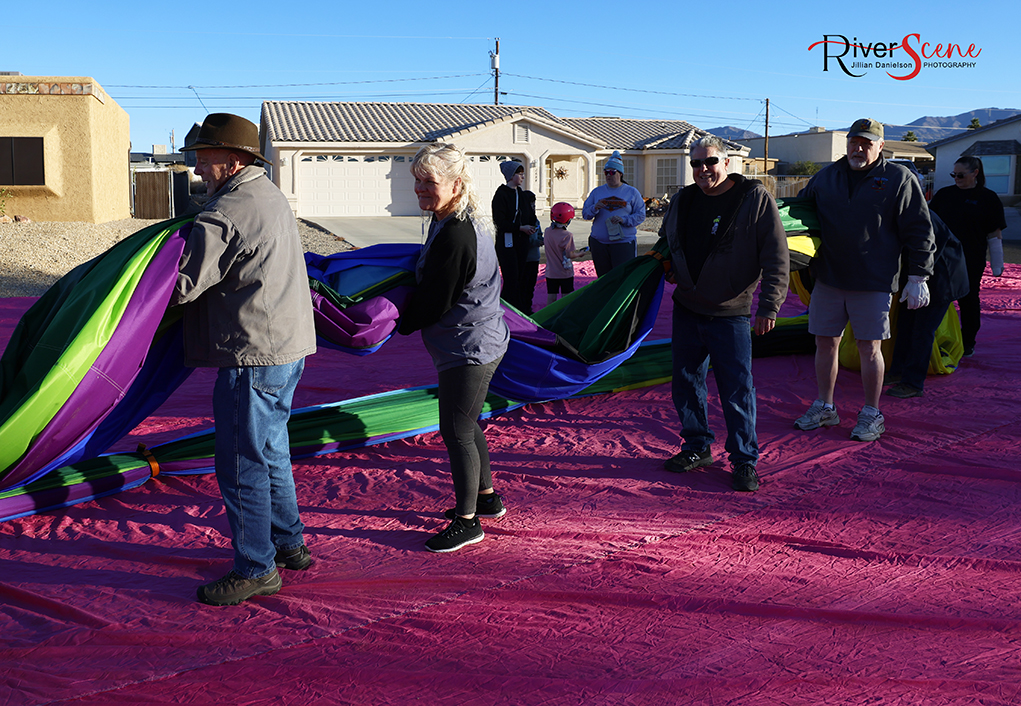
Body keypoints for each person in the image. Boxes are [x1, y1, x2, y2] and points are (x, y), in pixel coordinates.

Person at [175, 113, 317, 606]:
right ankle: (289, 543)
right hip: (286, 346)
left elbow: (180, 287)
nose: (196, 166)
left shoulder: (226, 212)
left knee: (241, 461)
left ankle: (256, 567)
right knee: (271, 449)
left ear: (232, 159)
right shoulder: (268, 195)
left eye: (204, 155)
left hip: (252, 353)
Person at [659, 135, 789, 492]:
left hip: (731, 313)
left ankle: (745, 459)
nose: (703, 170)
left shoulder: (752, 198)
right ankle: (697, 447)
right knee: (685, 384)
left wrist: (769, 305)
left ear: (727, 162)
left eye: (710, 162)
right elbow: (665, 240)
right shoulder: (683, 199)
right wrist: (668, 265)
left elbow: (777, 256)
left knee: (736, 390)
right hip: (687, 307)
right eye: (696, 164)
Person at [399, 143, 510, 553]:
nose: (419, 190)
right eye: (417, 181)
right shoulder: (454, 219)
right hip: (475, 338)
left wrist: (395, 322)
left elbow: (435, 300)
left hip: (470, 347)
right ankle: (487, 497)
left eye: (429, 182)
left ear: (457, 184)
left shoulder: (458, 234)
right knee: (468, 421)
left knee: (456, 428)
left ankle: (468, 522)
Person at [794, 118, 935, 442]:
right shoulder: (827, 177)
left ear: (880, 146)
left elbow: (919, 229)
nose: (859, 148)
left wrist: (918, 274)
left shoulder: (897, 178)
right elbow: (801, 212)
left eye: (866, 143)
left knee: (869, 348)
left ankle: (872, 412)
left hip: (873, 281)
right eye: (854, 142)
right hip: (829, 278)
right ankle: (825, 405)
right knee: (824, 343)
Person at [927, 156, 1007, 357]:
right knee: (936, 299)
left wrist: (997, 263)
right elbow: (927, 221)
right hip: (941, 257)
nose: (956, 178)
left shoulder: (988, 198)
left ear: (975, 173)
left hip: (970, 258)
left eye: (961, 175)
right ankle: (933, 339)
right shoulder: (945, 195)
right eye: (953, 174)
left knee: (968, 299)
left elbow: (994, 233)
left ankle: (967, 341)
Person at [885, 211, 970, 398]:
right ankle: (898, 371)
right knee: (905, 325)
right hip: (917, 277)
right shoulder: (898, 211)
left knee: (922, 330)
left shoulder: (919, 214)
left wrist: (915, 278)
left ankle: (913, 383)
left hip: (939, 279)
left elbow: (927, 249)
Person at [582, 150, 646, 276]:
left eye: (612, 172)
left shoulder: (632, 192)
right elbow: (585, 214)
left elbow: (641, 215)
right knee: (604, 279)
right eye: (606, 172)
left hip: (623, 244)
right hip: (599, 244)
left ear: (620, 174)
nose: (608, 175)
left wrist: (624, 220)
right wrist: (594, 208)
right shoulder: (597, 192)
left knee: (622, 278)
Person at [492, 160, 538, 313]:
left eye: (523, 173)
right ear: (511, 176)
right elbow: (500, 222)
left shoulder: (522, 195)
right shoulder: (501, 194)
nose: (523, 177)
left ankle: (520, 309)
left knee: (520, 277)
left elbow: (530, 216)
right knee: (511, 278)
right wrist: (519, 228)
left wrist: (531, 227)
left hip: (521, 242)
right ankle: (506, 309)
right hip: (506, 244)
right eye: (520, 174)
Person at [542, 202, 581, 306]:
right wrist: (580, 254)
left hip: (551, 272)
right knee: (566, 298)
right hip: (565, 273)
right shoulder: (567, 235)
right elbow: (570, 255)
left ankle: (548, 316)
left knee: (551, 297)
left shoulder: (547, 231)